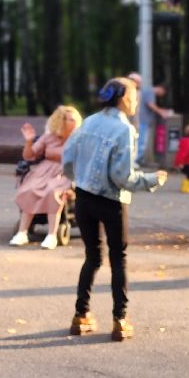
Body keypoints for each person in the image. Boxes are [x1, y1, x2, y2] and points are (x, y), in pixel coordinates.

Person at [61, 76, 167, 341]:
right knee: (118, 258)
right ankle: (120, 320)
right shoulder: (124, 130)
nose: (136, 102)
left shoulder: (89, 121)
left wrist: (80, 179)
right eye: (134, 96)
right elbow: (122, 178)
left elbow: (67, 159)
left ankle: (80, 315)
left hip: (84, 199)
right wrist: (153, 179)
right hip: (112, 202)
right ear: (123, 98)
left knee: (92, 256)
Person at [10, 104, 81, 249]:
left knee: (52, 192)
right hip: (44, 171)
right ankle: (22, 232)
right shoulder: (48, 137)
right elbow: (29, 156)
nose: (74, 122)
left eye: (75, 120)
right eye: (70, 120)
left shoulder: (80, 138)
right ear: (61, 121)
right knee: (28, 190)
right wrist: (29, 141)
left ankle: (52, 235)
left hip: (67, 172)